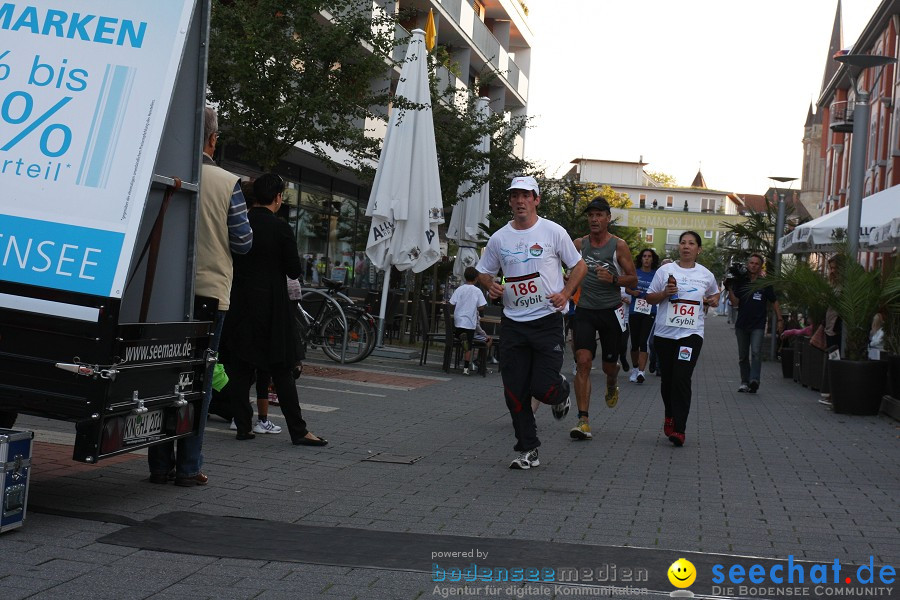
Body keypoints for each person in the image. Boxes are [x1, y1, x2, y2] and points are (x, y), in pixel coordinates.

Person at [147, 107, 253, 487]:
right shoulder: (228, 183)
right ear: (213, 139)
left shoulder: (159, 174)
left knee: (160, 375)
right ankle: (189, 467)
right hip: (208, 293)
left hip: (160, 291)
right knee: (198, 380)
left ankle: (159, 465)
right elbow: (242, 242)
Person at [476, 176, 587, 469]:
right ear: (510, 201)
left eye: (526, 195)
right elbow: (483, 272)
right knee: (514, 392)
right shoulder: (499, 238)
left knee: (543, 388)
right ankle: (528, 450)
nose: (520, 201)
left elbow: (579, 265)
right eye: (515, 196)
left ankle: (561, 391)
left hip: (547, 319)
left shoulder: (553, 232)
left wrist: (565, 293)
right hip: (513, 322)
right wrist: (491, 285)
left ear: (536, 199)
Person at [220, 173, 327, 447]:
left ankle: (243, 426)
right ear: (278, 197)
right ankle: (298, 430)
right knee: (282, 368)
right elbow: (293, 269)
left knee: (240, 367)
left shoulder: (239, 223)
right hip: (272, 306)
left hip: (239, 301)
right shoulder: (280, 228)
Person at [569, 198, 637, 441]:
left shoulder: (619, 246)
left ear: (608, 218)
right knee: (583, 360)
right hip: (585, 310)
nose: (594, 219)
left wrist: (615, 280)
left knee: (609, 366)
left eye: (599, 215)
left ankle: (611, 381)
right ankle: (583, 420)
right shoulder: (578, 244)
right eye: (591, 215)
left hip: (610, 311)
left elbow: (633, 279)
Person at [645, 231, 719, 447]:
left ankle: (679, 429)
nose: (686, 246)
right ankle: (669, 414)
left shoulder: (706, 274)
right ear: (679, 247)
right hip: (664, 334)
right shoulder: (665, 271)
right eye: (683, 243)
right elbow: (649, 298)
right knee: (668, 380)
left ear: (699, 249)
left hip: (691, 334)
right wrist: (665, 293)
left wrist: (713, 300)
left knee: (681, 378)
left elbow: (715, 294)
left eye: (691, 243)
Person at [727, 253, 783, 394]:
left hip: (758, 324)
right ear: (748, 264)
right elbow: (735, 303)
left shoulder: (764, 284)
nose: (753, 265)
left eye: (756, 263)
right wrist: (730, 289)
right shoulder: (741, 282)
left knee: (756, 352)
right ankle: (744, 382)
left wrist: (780, 319)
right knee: (743, 355)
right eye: (751, 263)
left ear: (760, 266)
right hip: (742, 325)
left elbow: (774, 301)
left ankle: (754, 380)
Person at [624, 248, 659, 384]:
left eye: (649, 256)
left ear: (653, 259)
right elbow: (627, 288)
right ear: (641, 258)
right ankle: (635, 368)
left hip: (650, 311)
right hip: (634, 310)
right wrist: (633, 293)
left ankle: (641, 372)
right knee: (635, 343)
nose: (646, 258)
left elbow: (660, 290)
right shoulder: (635, 273)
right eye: (644, 256)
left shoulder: (656, 275)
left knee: (644, 341)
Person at [449, 266, 488, 375]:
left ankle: (460, 338)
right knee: (469, 346)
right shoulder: (477, 291)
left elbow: (452, 303)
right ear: (476, 278)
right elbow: (481, 307)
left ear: (465, 277)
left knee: (460, 336)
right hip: (470, 323)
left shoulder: (460, 289)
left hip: (458, 321)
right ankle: (466, 368)